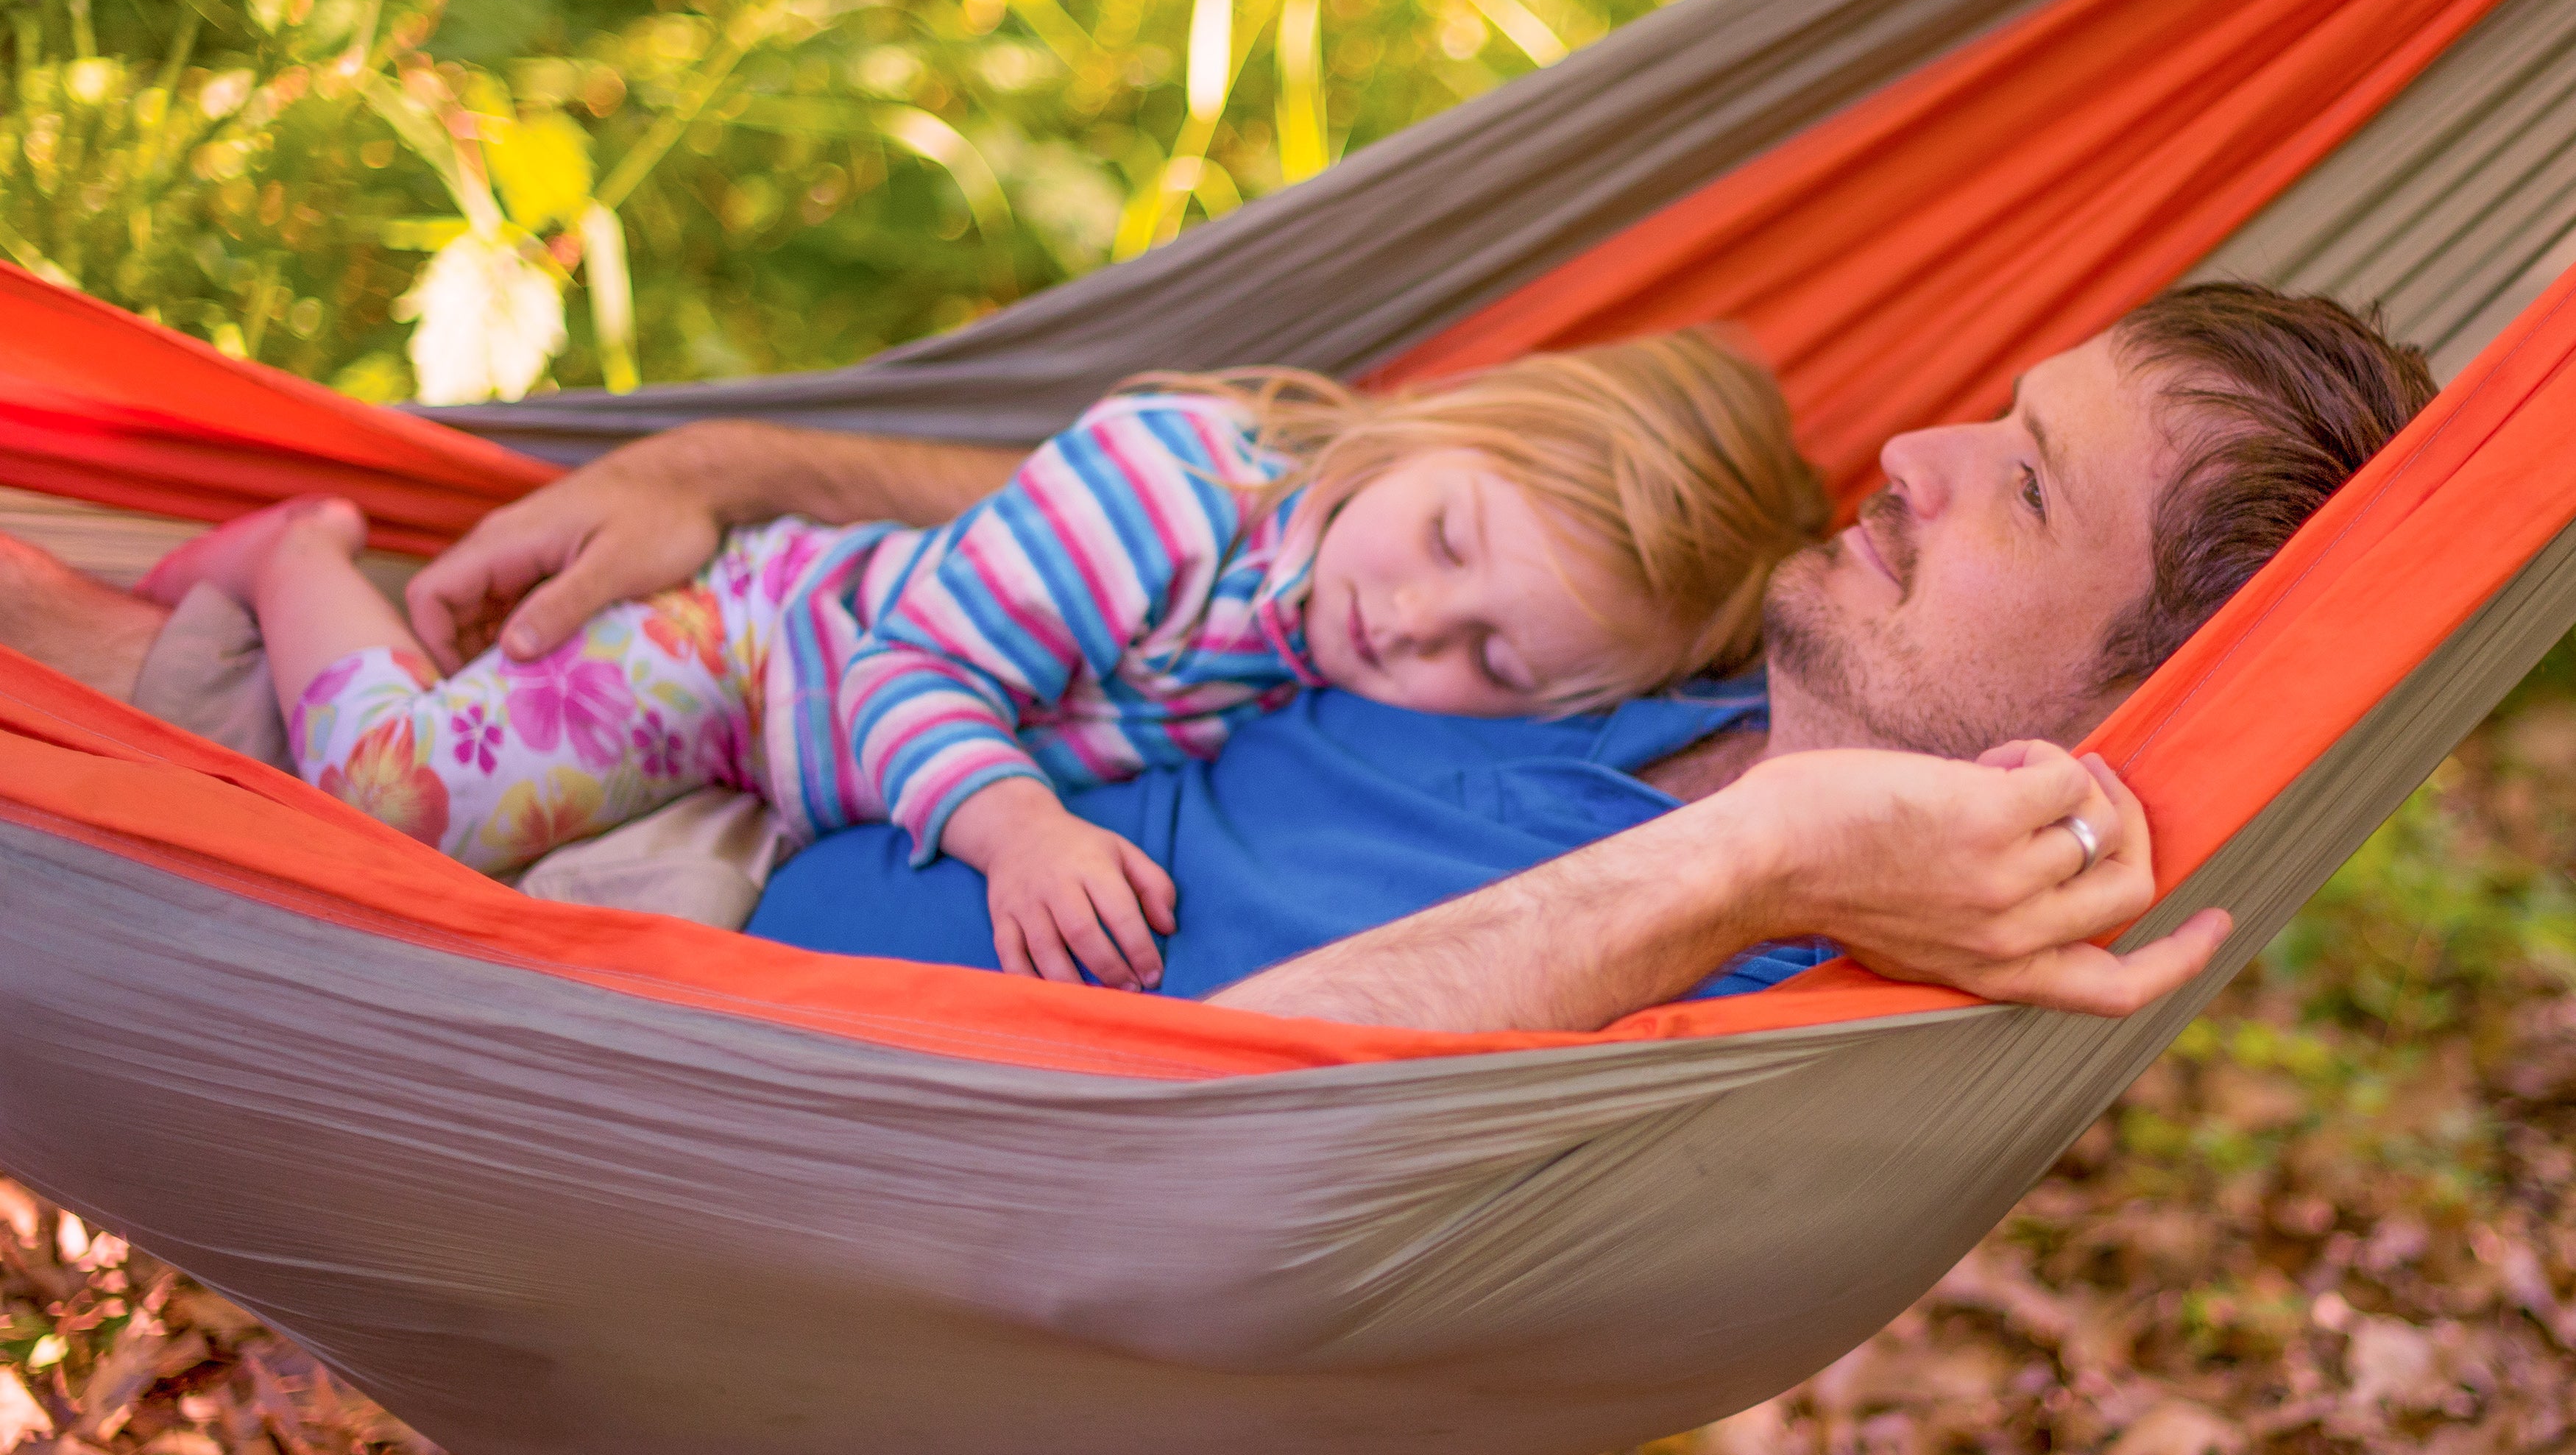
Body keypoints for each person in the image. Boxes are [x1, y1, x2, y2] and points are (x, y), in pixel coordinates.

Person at [0, 284, 2435, 1033]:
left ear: (2114, 692)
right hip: (731, 783)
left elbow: (1262, 1129)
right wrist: (737, 466)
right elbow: (1220, 545)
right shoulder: (1662, 634)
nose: (1901, 446)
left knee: (102, 745)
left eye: (2013, 485)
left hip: (640, 1023)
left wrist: (1774, 846)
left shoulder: (1822, 948)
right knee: (75, 637)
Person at [132, 333, 1827, 990]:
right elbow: (900, 675)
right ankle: (300, 556)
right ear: (1440, 428)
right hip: (752, 654)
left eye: (1493, 660)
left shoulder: (1332, 626)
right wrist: (1017, 829)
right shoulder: (1164, 487)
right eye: (1449, 544)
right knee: (399, 802)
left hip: (797, 771)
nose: (1407, 626)